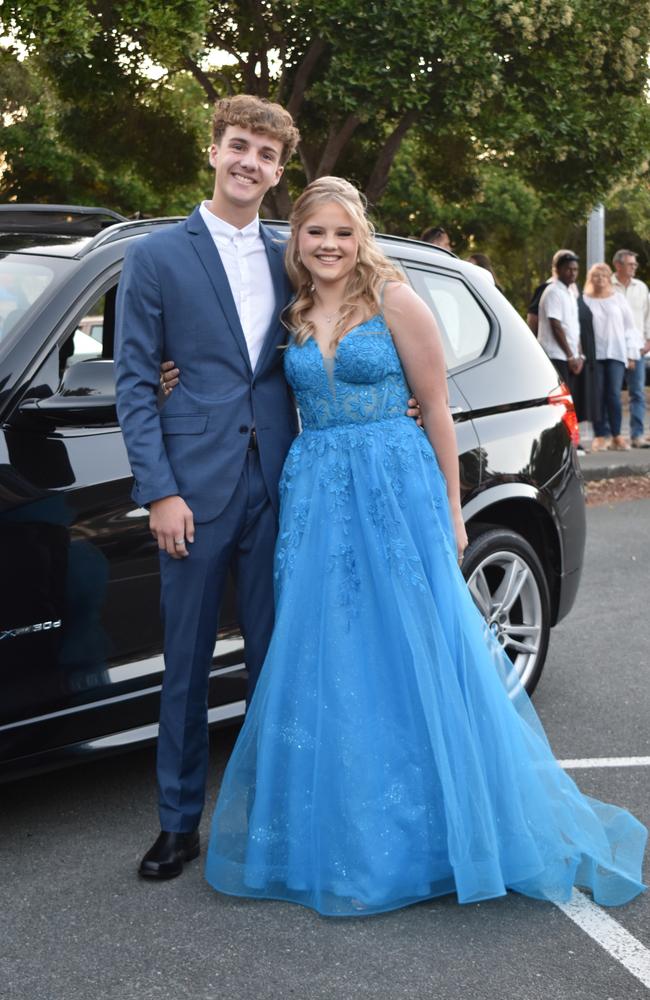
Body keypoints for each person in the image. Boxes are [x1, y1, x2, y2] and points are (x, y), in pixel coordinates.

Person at [197, 178, 646, 916]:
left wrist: (450, 513)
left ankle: (453, 828)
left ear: (360, 235)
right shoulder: (296, 311)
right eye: (316, 234)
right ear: (298, 243)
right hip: (317, 493)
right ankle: (341, 834)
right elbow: (245, 382)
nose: (330, 245)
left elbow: (437, 411)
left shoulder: (398, 300)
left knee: (419, 644)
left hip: (394, 485)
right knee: (333, 651)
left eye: (343, 232)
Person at [115, 96, 420, 882]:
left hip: (288, 489)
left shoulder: (297, 250)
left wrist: (396, 395)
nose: (250, 163)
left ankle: (278, 822)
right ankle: (178, 825)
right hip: (195, 491)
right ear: (213, 150)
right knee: (183, 665)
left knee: (283, 662)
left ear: (280, 170)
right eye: (239, 147)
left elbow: (348, 323)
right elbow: (131, 383)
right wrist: (160, 492)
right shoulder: (154, 258)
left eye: (266, 155)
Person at [583, 263, 639, 452]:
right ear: (591, 279)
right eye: (596, 276)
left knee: (613, 395)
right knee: (597, 395)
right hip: (594, 356)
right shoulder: (585, 300)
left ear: (609, 279)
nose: (600, 279)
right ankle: (600, 435)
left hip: (616, 353)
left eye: (603, 276)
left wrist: (632, 354)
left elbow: (630, 327)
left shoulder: (618, 299)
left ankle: (617, 435)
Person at [611, 249, 650, 448]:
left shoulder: (641, 287)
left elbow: (648, 315)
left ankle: (637, 435)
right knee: (611, 393)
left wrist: (648, 341)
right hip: (614, 350)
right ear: (618, 265)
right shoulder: (607, 284)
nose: (634, 267)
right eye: (630, 264)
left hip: (638, 349)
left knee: (637, 392)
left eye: (635, 264)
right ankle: (614, 436)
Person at [537, 252, 584, 390]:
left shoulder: (569, 292)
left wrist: (580, 355)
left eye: (575, 269)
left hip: (570, 357)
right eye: (568, 269)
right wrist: (570, 356)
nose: (572, 273)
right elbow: (555, 326)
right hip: (556, 355)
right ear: (558, 270)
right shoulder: (553, 291)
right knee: (559, 398)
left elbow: (574, 327)